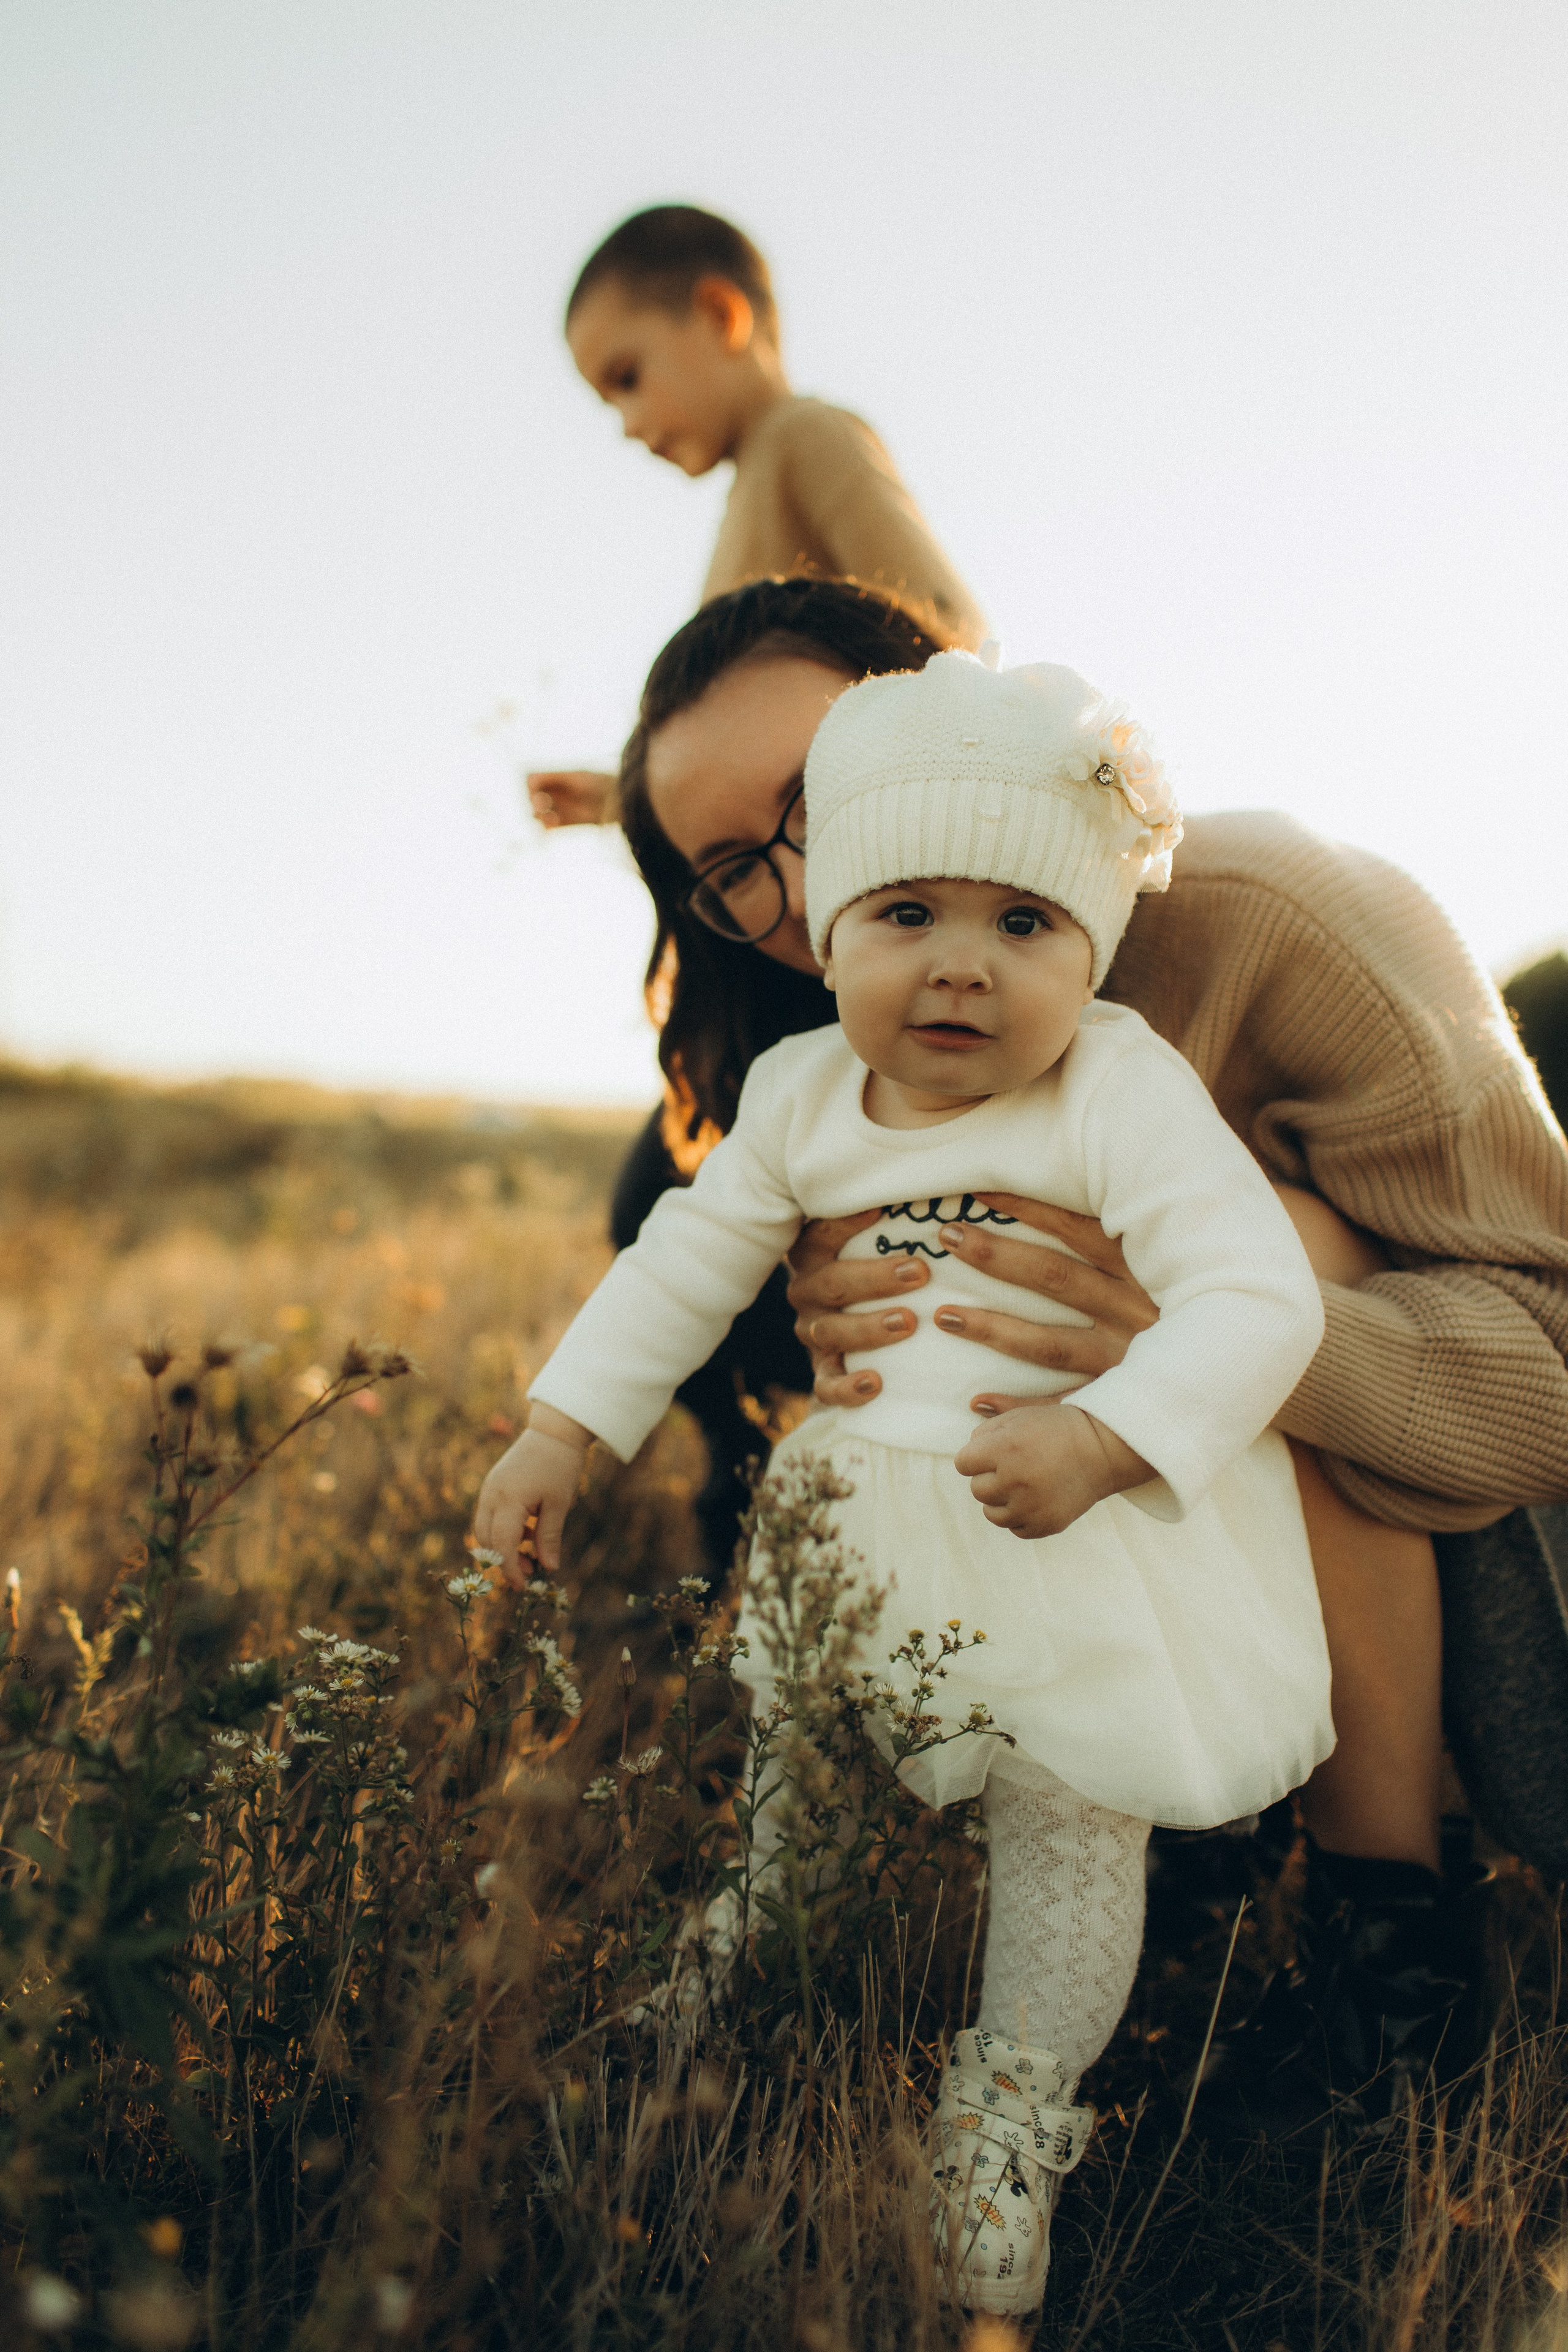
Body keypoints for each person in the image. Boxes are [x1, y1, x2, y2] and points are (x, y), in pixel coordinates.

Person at [593, 577, 1568, 2135]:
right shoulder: (837, 1068)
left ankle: (1398, 1944)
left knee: (1276, 1244)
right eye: (731, 873)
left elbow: (1551, 1361)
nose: (793, 886)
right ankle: (1149, 1839)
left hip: (1491, 1509)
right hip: (1131, 1563)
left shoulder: (1274, 912)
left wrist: (1196, 1324)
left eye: (806, 798)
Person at [477, 648, 1338, 2313]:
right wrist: (563, 1430)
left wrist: (1106, 1435)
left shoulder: (1121, 1088)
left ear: (1094, 949)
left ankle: (1009, 2119)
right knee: (798, 1793)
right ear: (837, 930)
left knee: (1068, 1834)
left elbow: (1257, 1296)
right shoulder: (801, 1095)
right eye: (909, 915)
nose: (962, 968)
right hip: (862, 1521)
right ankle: (740, 1972)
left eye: (1025, 925)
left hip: (1068, 1526)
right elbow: (682, 1263)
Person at [529, 203, 987, 831]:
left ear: (721, 315)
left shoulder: (803, 435)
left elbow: (949, 632)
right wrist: (624, 799)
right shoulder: (752, 488)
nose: (628, 426)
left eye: (628, 377)